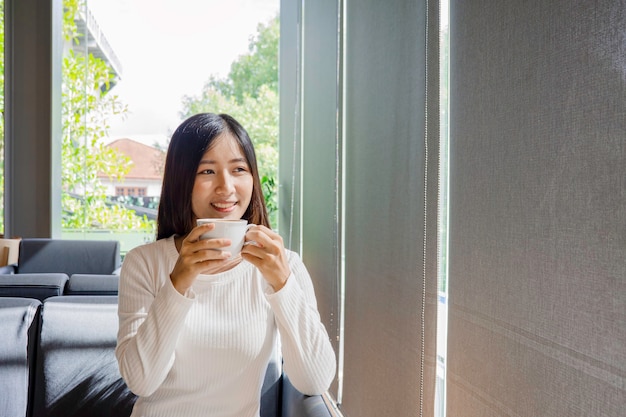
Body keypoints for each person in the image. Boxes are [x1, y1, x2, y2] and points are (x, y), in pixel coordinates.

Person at [115, 113, 336, 417]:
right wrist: (178, 283)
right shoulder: (144, 263)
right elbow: (141, 381)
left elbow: (315, 380)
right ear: (182, 180)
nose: (226, 187)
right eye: (207, 171)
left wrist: (283, 283)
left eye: (239, 169)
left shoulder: (283, 265)